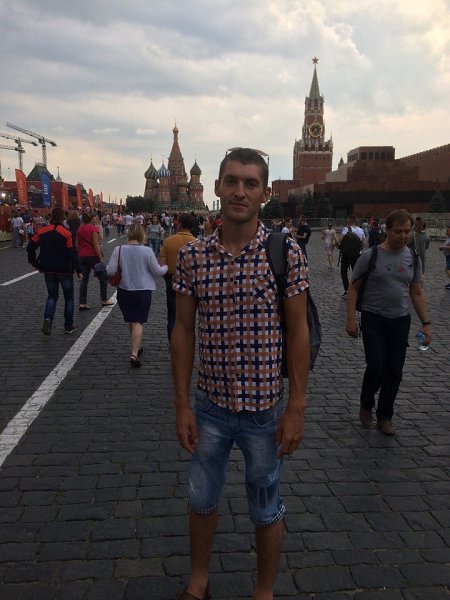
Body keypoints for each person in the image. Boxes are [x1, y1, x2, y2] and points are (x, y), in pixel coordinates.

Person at [171, 148, 310, 600]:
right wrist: (182, 405)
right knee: (200, 499)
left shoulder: (284, 251)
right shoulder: (193, 256)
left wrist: (296, 407)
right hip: (210, 406)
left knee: (266, 506)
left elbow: (299, 331)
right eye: (231, 181)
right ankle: (199, 580)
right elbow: (182, 330)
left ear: (265, 193)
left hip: (265, 412)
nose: (239, 191)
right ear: (215, 187)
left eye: (251, 183)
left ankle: (263, 591)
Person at [346, 209, 431, 436]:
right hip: (373, 318)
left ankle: (385, 416)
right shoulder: (371, 256)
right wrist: (351, 319)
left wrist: (426, 323)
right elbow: (353, 288)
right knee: (376, 366)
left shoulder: (413, 258)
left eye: (407, 231)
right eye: (398, 231)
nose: (403, 236)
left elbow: (416, 292)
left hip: (400, 321)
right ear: (387, 230)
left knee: (394, 371)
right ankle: (366, 402)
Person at [106, 224, 168, 367]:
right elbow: (157, 271)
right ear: (142, 235)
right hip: (142, 291)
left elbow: (110, 271)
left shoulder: (118, 250)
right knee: (138, 321)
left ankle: (137, 346)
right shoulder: (147, 251)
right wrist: (166, 267)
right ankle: (134, 353)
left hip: (124, 290)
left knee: (131, 319)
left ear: (128, 234)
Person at [27, 207, 81, 335]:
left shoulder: (42, 231)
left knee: (52, 296)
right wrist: (78, 269)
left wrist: (34, 262)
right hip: (65, 270)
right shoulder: (66, 233)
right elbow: (72, 252)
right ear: (63, 218)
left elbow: (30, 247)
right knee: (69, 298)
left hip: (48, 269)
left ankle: (47, 318)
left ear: (51, 216)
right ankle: (68, 326)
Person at [158, 213, 196, 341]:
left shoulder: (168, 241)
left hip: (172, 280)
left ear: (179, 224)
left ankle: (172, 342)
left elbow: (161, 265)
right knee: (190, 316)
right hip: (193, 282)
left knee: (172, 315)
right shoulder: (197, 243)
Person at [77, 213, 113, 310]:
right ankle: (104, 299)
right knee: (103, 278)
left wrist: (80, 255)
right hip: (93, 256)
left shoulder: (79, 230)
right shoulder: (93, 229)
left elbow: (77, 245)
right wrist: (101, 259)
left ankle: (82, 303)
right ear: (91, 219)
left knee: (84, 280)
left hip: (82, 256)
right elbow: (96, 244)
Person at [338, 214, 365, 298]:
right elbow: (363, 243)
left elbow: (341, 240)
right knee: (356, 272)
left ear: (349, 220)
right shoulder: (360, 230)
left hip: (346, 254)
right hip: (357, 254)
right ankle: (357, 290)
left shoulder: (346, 229)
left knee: (344, 272)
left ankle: (347, 291)